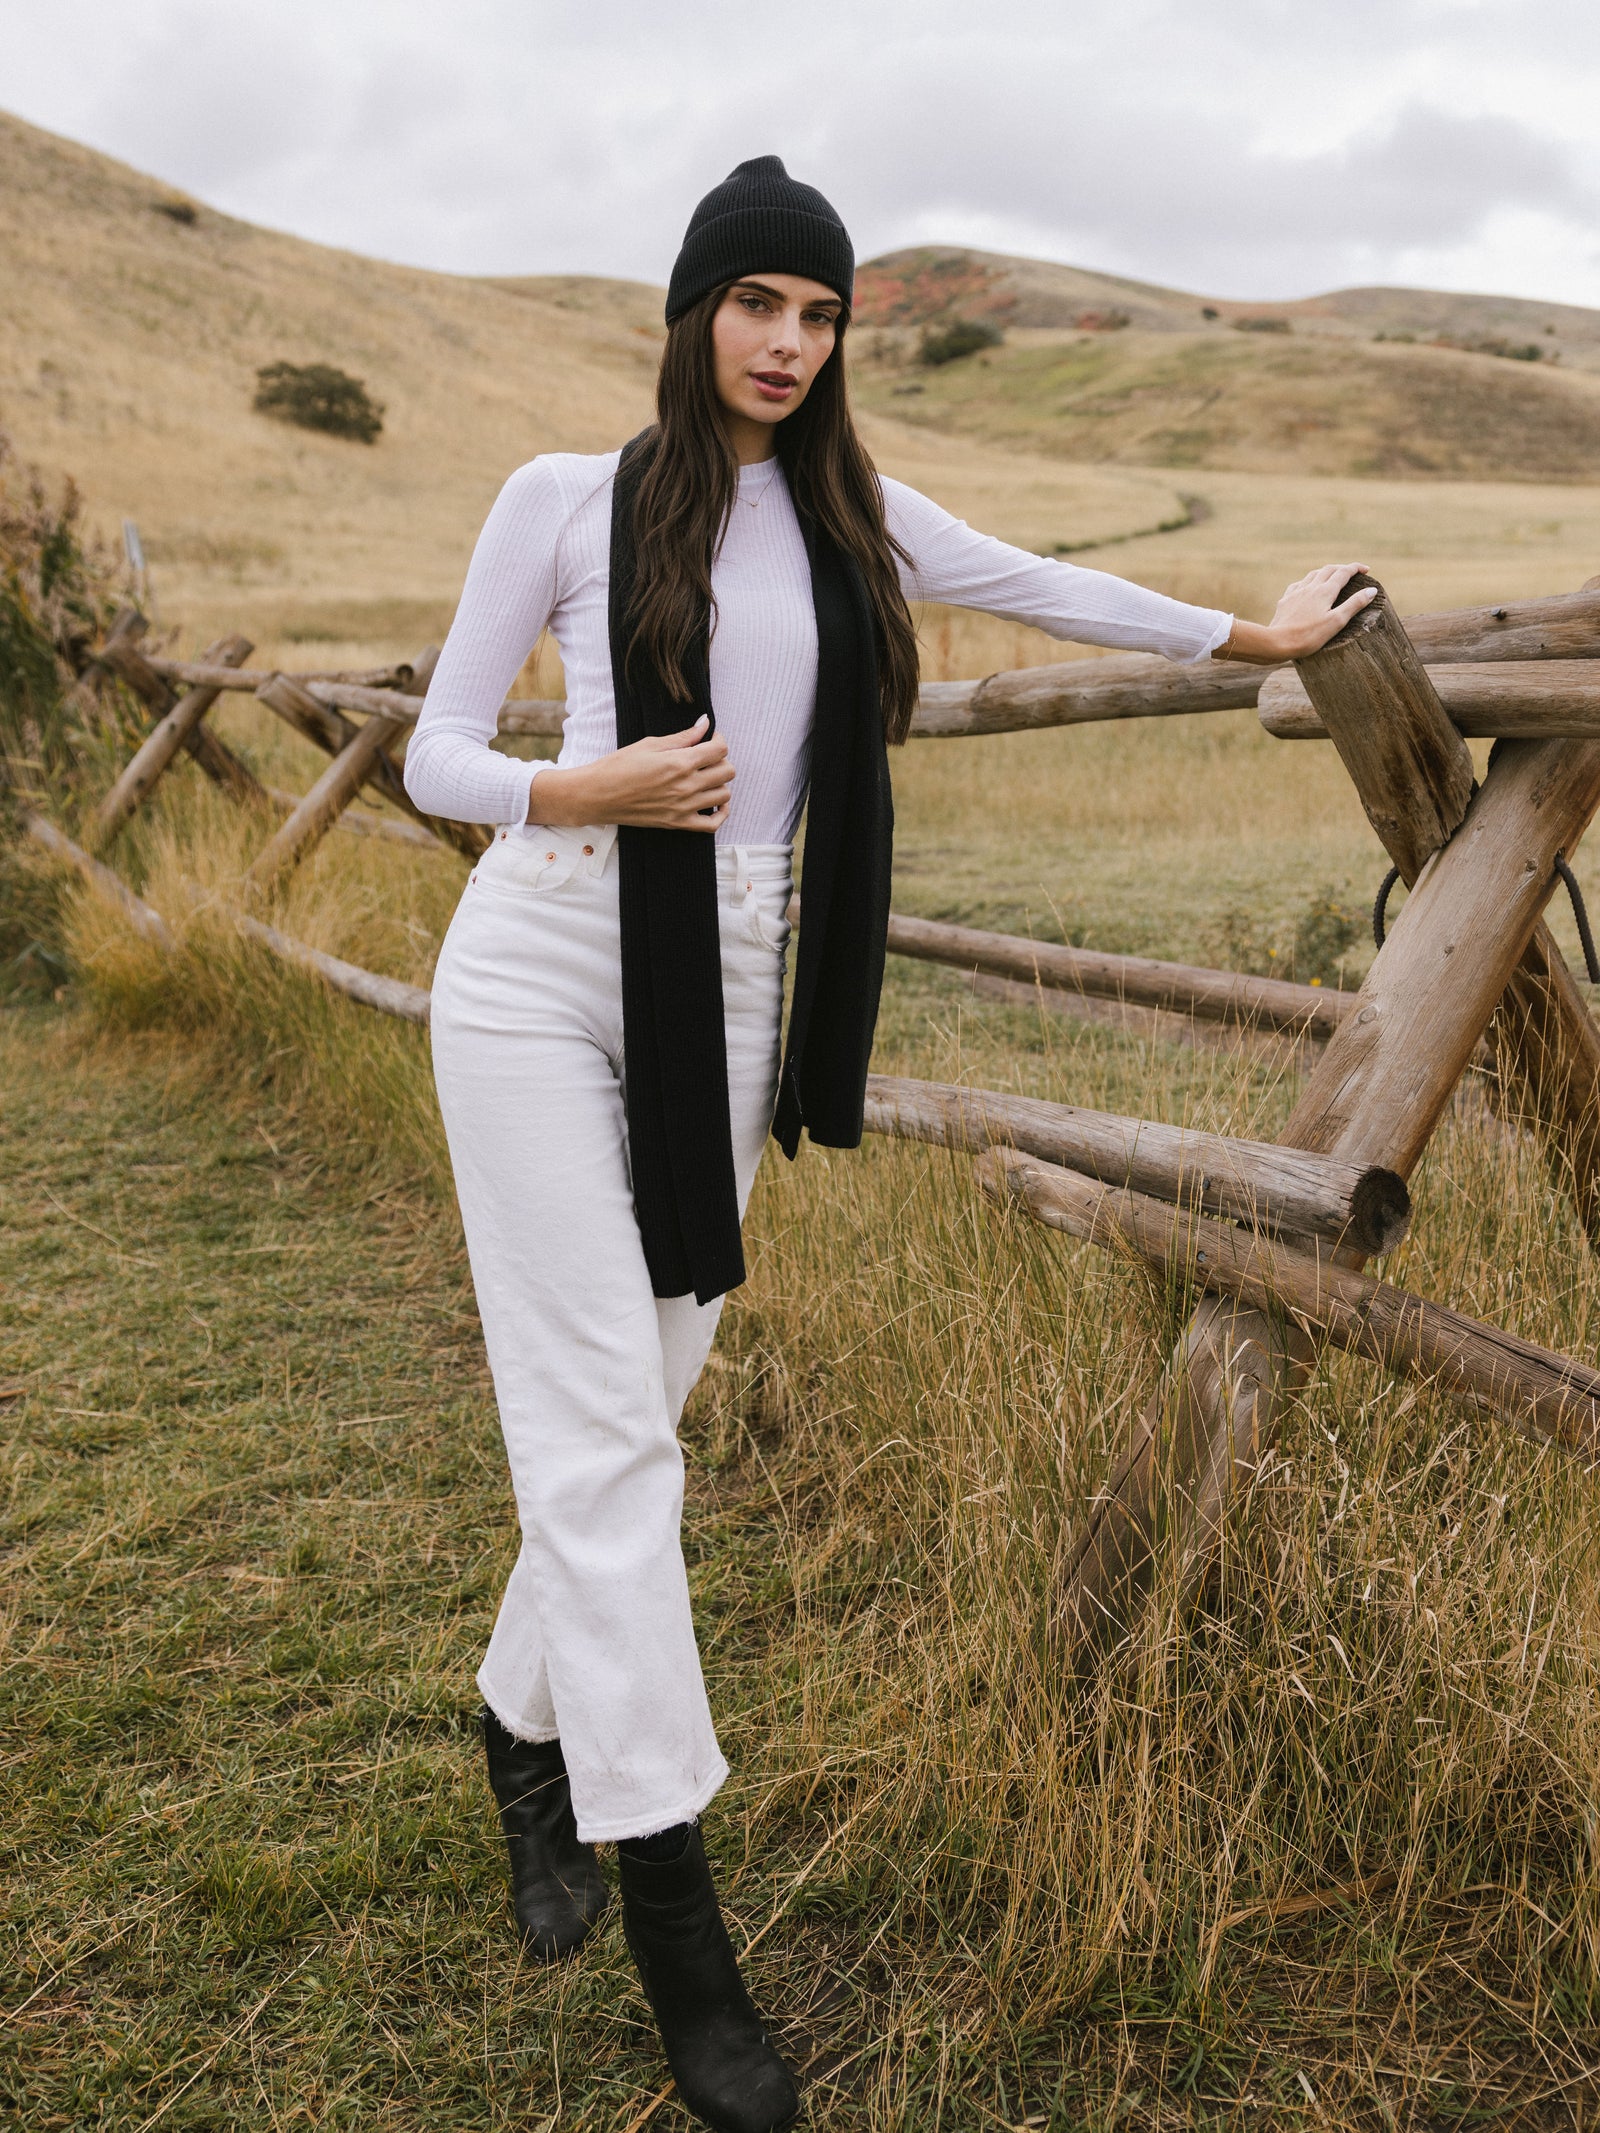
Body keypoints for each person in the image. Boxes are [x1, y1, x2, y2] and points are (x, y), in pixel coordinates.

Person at [404, 154, 1372, 2133]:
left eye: (815, 311)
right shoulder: (562, 497)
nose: (781, 341)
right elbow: (433, 750)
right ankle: (684, 1925)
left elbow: (1046, 581)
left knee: (636, 1409)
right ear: (691, 313)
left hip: (736, 983)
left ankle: (517, 1724)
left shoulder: (853, 515)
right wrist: (572, 781)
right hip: (538, 965)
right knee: (602, 1443)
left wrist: (1253, 638)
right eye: (752, 302)